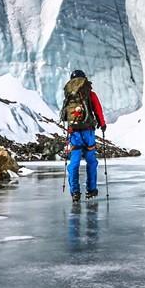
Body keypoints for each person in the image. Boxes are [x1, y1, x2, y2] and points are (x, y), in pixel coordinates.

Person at [60, 69, 106, 202]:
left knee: (73, 164)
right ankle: (91, 190)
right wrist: (102, 124)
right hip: (88, 133)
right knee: (91, 162)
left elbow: (65, 115)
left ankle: (75, 192)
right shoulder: (90, 94)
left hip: (74, 134)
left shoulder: (69, 95)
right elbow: (97, 110)